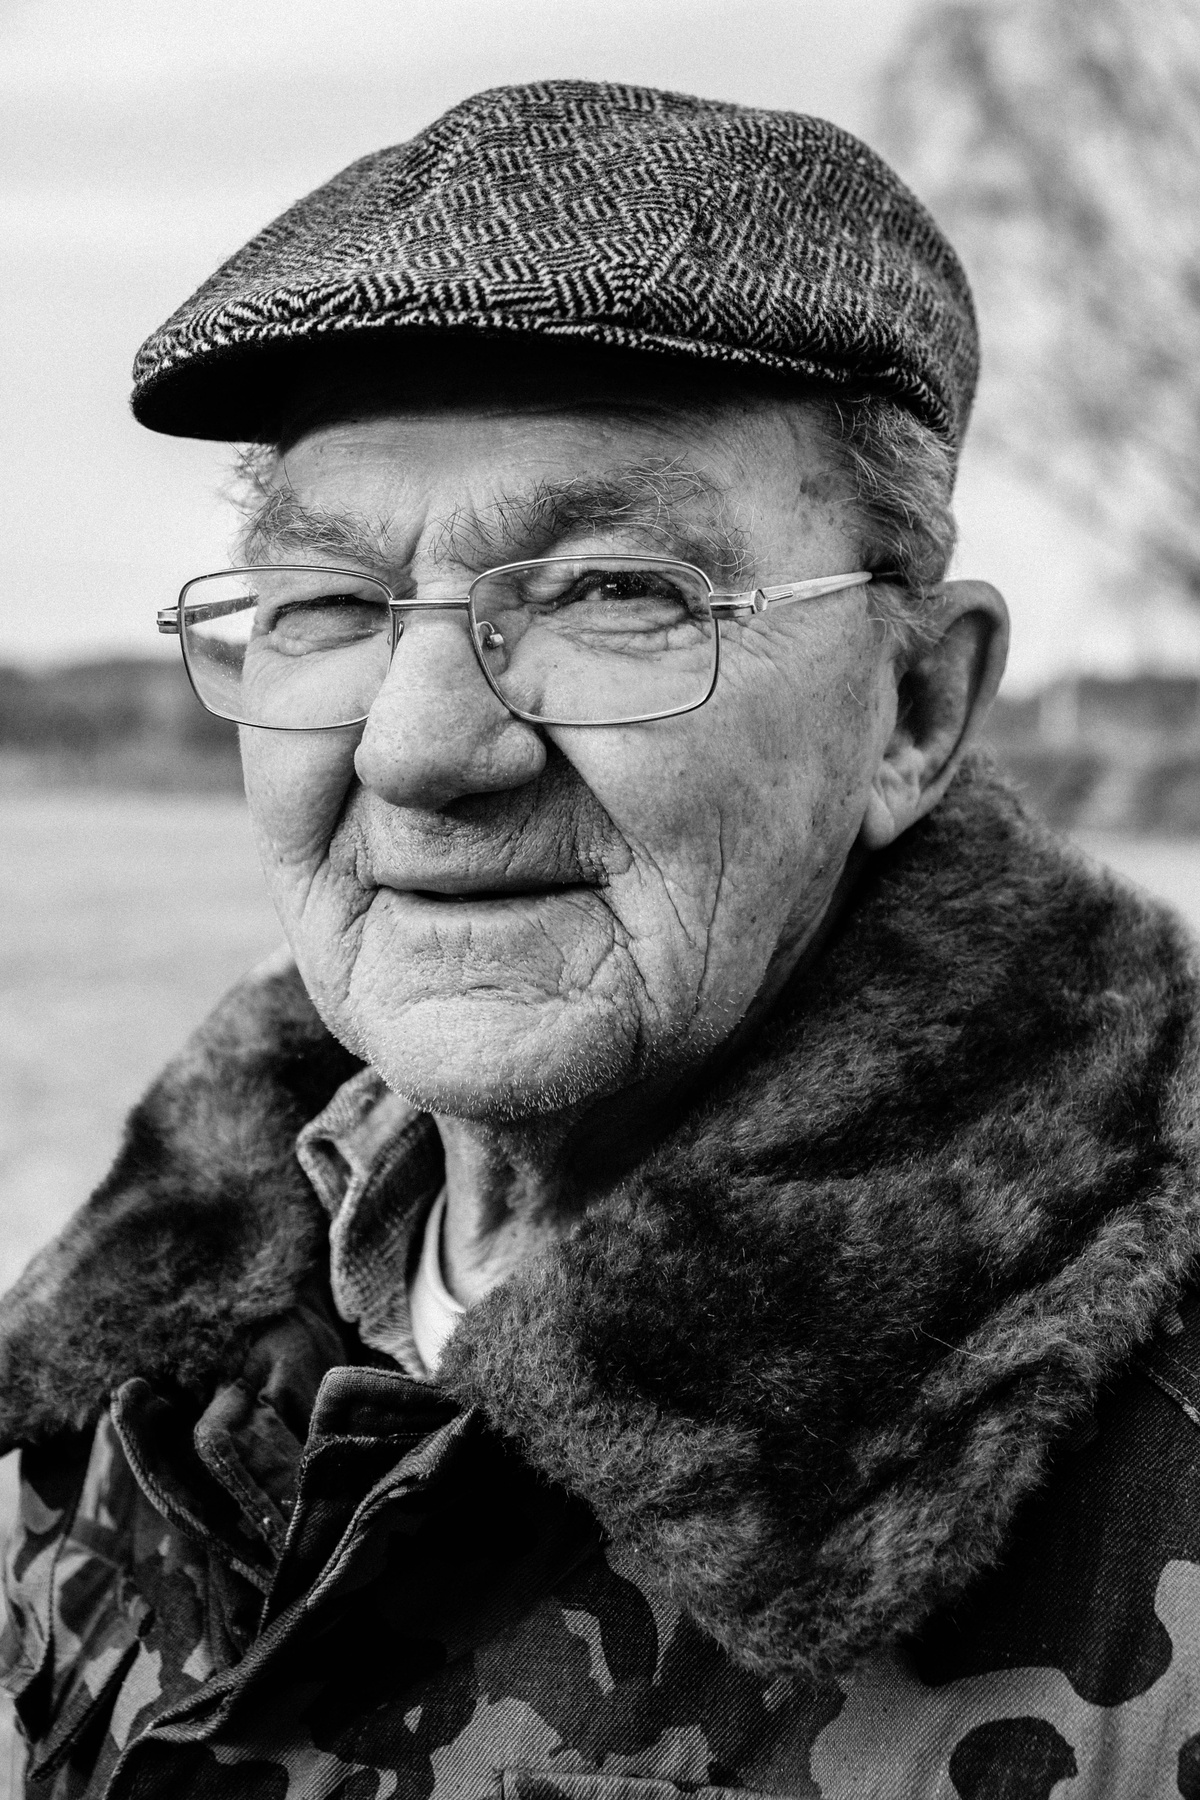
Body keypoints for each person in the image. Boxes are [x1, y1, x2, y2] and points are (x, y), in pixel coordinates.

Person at [3, 79, 1200, 1800]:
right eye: (327, 606)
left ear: (915, 708)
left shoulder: (1148, 1474)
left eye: (614, 592)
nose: (420, 748)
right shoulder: (151, 1340)